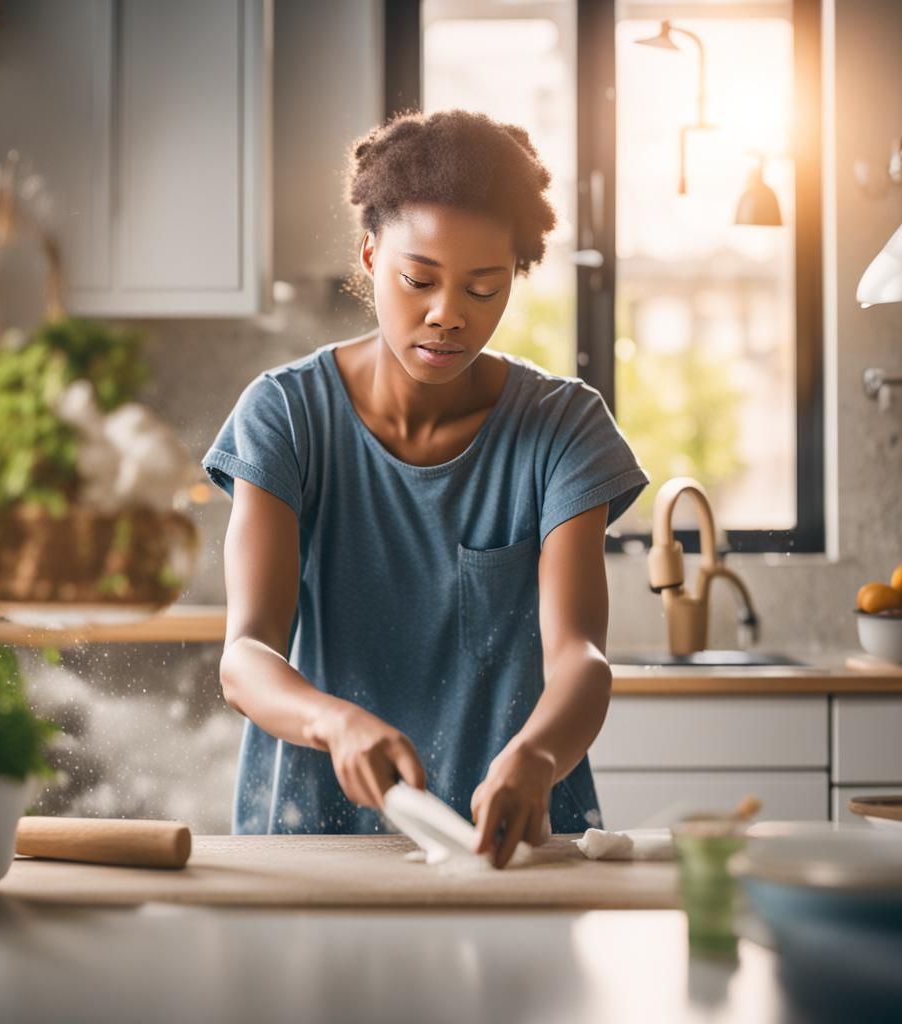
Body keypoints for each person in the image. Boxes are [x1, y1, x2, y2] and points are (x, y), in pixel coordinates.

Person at [202, 109, 648, 868]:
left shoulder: (563, 427)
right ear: (370, 255)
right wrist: (333, 722)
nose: (449, 316)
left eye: (484, 287)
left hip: (514, 848)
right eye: (419, 280)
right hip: (318, 846)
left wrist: (538, 757)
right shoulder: (286, 416)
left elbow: (581, 657)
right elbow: (245, 655)